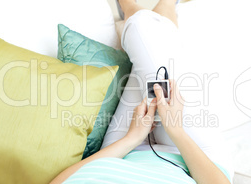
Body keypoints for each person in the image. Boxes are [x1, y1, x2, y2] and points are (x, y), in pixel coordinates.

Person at [50, 0, 233, 183]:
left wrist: (131, 138)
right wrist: (175, 130)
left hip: (122, 150)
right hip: (195, 158)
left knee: (144, 34)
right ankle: (144, 4)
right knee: (142, 27)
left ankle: (150, 4)